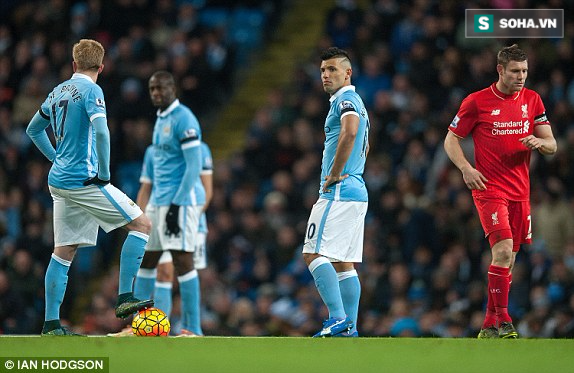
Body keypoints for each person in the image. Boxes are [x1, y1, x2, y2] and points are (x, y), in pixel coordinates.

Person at [25, 39, 153, 336]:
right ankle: (125, 298)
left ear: (74, 65)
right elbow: (101, 131)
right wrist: (104, 174)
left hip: (58, 181)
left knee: (63, 251)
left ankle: (52, 325)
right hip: (83, 179)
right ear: (101, 67)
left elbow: (34, 129)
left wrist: (56, 158)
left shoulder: (57, 91)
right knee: (141, 224)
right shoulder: (92, 90)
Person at [444, 44, 557, 339]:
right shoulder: (477, 102)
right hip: (489, 188)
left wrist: (538, 143)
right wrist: (467, 169)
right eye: (516, 72)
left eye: (525, 71)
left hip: (520, 191)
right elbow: (451, 140)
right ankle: (505, 320)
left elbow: (552, 144)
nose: (521, 77)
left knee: (508, 260)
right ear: (500, 70)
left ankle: (488, 325)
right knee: (503, 250)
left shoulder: (532, 100)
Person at [110, 141, 212, 337]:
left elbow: (206, 189)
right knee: (159, 269)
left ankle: (192, 329)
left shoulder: (198, 149)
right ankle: (143, 326)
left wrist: (194, 216)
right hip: (159, 217)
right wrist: (138, 219)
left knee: (183, 270)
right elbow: (145, 188)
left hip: (188, 218)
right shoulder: (152, 152)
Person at [302, 47, 370, 337]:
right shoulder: (358, 102)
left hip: (339, 190)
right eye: (322, 70)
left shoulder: (345, 99)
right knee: (343, 261)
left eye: (332, 69)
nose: (326, 75)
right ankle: (349, 329)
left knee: (312, 252)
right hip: (357, 189)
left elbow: (351, 131)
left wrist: (334, 172)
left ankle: (337, 318)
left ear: (347, 73)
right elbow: (366, 143)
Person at [132, 71, 205, 337]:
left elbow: (194, 166)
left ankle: (193, 328)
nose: (156, 93)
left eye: (160, 88)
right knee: (147, 260)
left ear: (173, 88)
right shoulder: (160, 119)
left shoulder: (184, 118)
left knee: (182, 260)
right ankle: (138, 325)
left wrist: (176, 205)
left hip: (180, 203)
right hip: (158, 203)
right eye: (152, 89)